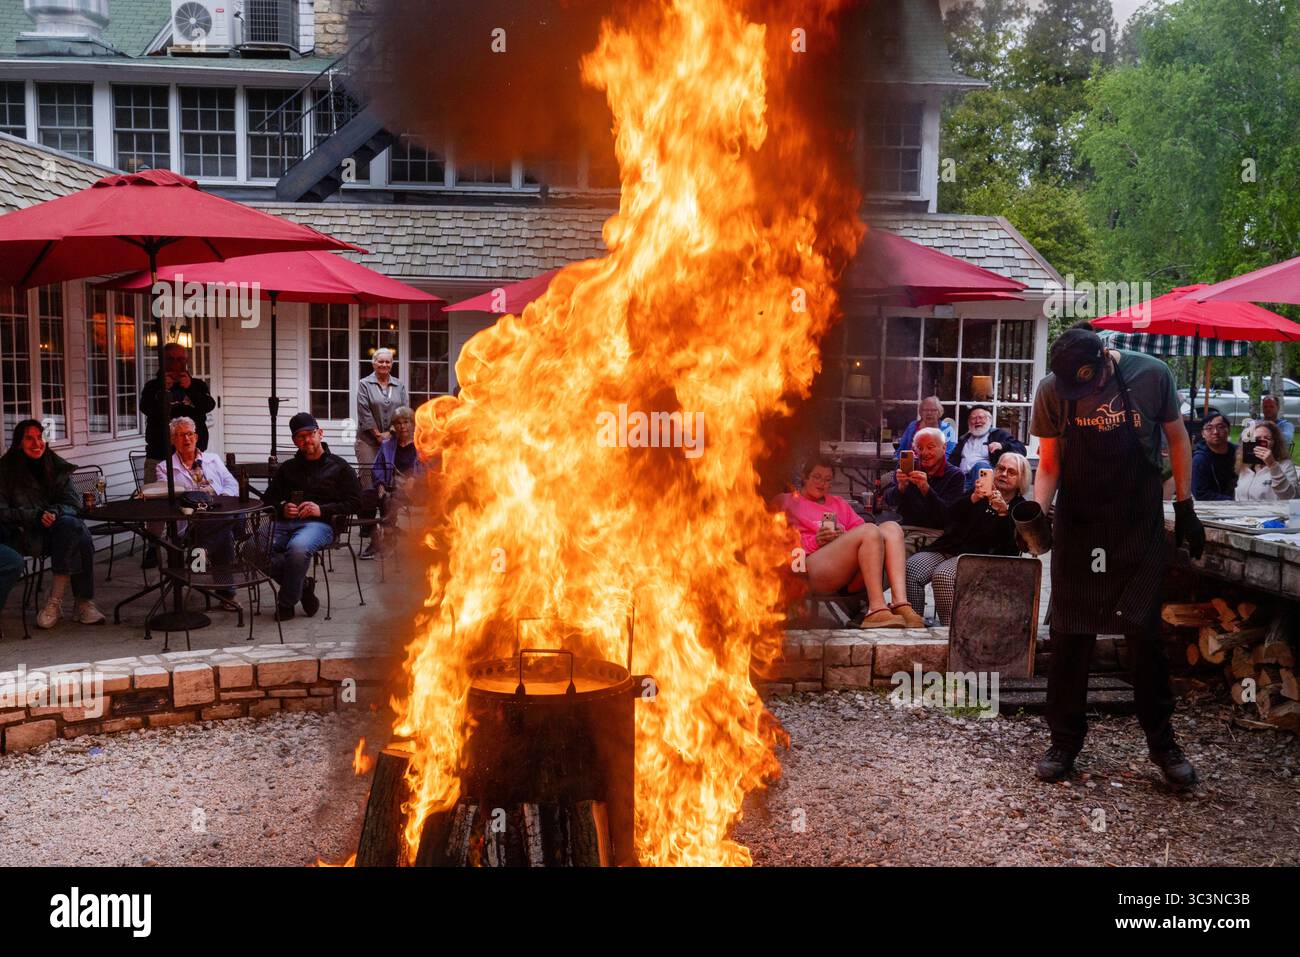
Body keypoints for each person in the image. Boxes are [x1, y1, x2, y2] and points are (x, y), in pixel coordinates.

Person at [1030, 326, 1203, 791]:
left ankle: (1163, 743)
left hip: (1136, 525)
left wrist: (1185, 507)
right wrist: (1035, 515)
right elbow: (1049, 465)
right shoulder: (1052, 391)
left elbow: (1178, 440)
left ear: (1106, 360)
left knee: (1143, 635)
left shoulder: (1152, 375)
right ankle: (1064, 742)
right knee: (1070, 636)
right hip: (1081, 525)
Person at [781, 459, 924, 628]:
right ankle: (876, 609)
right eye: (817, 477)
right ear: (804, 477)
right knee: (869, 531)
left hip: (848, 573)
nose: (822, 483)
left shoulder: (839, 504)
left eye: (828, 479)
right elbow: (771, 542)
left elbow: (868, 535)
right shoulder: (786, 502)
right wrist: (814, 541)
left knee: (892, 528)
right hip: (808, 568)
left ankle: (900, 604)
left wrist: (844, 536)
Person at [0, 420, 105, 628]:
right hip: (25, 535)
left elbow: (72, 503)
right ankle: (81, 603)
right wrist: (36, 515)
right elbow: (2, 511)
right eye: (29, 438)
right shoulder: (5, 470)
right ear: (19, 443)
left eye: (40, 437)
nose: (37, 443)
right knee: (79, 534)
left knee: (73, 527)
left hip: (57, 532)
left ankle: (56, 601)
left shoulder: (55, 465)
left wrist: (52, 513)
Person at [905, 452, 1030, 625]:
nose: (1003, 474)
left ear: (1021, 479)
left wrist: (1002, 513)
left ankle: (950, 633)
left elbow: (1009, 548)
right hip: (950, 548)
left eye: (1011, 472)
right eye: (1001, 468)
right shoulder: (979, 491)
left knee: (943, 576)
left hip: (982, 558)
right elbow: (948, 516)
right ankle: (914, 624)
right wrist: (972, 498)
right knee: (912, 567)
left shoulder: (1020, 507)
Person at [263, 413, 362, 621]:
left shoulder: (340, 467)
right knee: (252, 549)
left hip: (321, 525)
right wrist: (282, 507)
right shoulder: (288, 468)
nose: (306, 440)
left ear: (320, 433)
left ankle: (287, 603)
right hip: (286, 522)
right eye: (300, 436)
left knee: (298, 549)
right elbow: (267, 499)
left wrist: (322, 509)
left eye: (310, 434)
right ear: (294, 441)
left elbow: (357, 502)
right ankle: (303, 586)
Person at [139, 343, 215, 569]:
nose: (176, 364)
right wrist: (163, 392)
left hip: (192, 458)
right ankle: (153, 546)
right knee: (156, 504)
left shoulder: (197, 385)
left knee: (196, 500)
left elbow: (208, 406)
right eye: (171, 359)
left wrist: (190, 388)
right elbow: (147, 409)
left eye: (181, 360)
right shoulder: (153, 386)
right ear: (163, 361)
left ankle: (193, 546)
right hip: (159, 454)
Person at [160, 416, 240, 609]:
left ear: (196, 437)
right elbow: (170, 500)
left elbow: (233, 485)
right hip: (192, 524)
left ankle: (202, 551)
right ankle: (226, 593)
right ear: (173, 440)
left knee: (224, 520)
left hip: (221, 513)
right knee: (225, 533)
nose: (186, 439)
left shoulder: (213, 459)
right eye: (180, 435)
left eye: (189, 434)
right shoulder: (165, 468)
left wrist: (216, 497)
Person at [363, 406, 425, 559]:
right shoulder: (387, 445)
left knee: (390, 499)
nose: (402, 426)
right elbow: (377, 467)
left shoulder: (422, 445)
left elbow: (430, 470)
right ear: (393, 426)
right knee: (365, 497)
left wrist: (415, 479)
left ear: (413, 424)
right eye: (398, 423)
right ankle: (374, 535)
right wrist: (380, 484)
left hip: (414, 490)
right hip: (390, 486)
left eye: (406, 422)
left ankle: (387, 539)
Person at [883, 427, 966, 528]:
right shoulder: (908, 467)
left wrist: (926, 489)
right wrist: (901, 488)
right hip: (902, 527)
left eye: (930, 447)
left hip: (934, 531)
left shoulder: (955, 475)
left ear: (944, 448)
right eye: (920, 448)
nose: (925, 453)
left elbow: (948, 516)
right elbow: (889, 501)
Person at [355, 348, 409, 490]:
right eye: (380, 361)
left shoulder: (400, 385)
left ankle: (389, 511)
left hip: (393, 440)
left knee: (391, 481)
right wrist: (378, 435)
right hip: (368, 441)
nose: (384, 365)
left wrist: (391, 432)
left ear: (391, 364)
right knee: (369, 481)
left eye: (387, 362)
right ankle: (369, 510)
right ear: (374, 364)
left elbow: (403, 412)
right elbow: (364, 412)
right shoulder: (364, 384)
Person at [948, 405, 1027, 492]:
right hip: (963, 478)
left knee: (981, 466)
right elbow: (953, 460)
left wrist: (1002, 446)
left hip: (987, 480)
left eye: (981, 417)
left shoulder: (998, 434)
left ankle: (982, 499)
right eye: (973, 418)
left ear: (989, 420)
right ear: (969, 422)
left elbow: (1022, 450)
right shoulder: (964, 439)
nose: (977, 421)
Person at [1234, 420, 1297, 501]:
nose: (1263, 441)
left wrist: (1272, 465)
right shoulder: (1246, 465)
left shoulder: (1285, 465)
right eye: (1257, 438)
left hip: (1272, 512)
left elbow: (1291, 497)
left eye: (1268, 438)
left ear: (1274, 443)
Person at [1191, 409, 1237, 501]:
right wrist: (1233, 500)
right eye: (1209, 428)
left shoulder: (1238, 453)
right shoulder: (1200, 459)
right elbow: (1201, 494)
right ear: (1203, 434)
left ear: (1229, 430)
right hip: (1212, 507)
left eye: (1220, 427)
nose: (1215, 432)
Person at [893, 395, 957, 460]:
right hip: (912, 466)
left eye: (933, 410)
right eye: (925, 410)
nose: (929, 413)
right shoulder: (912, 426)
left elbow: (948, 455)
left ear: (939, 412)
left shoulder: (947, 429)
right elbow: (901, 450)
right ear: (921, 412)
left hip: (937, 468)